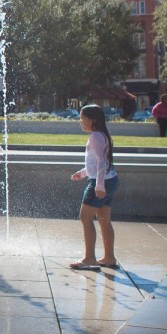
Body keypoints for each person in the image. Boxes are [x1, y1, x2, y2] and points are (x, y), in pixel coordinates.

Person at [69, 104, 120, 270]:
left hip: (102, 182)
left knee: (85, 217)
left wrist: (99, 185)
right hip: (110, 180)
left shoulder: (96, 136)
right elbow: (97, 163)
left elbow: (101, 162)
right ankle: (109, 258)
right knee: (104, 219)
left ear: (93, 119)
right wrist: (83, 173)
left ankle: (89, 258)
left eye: (82, 117)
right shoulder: (100, 135)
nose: (80, 121)